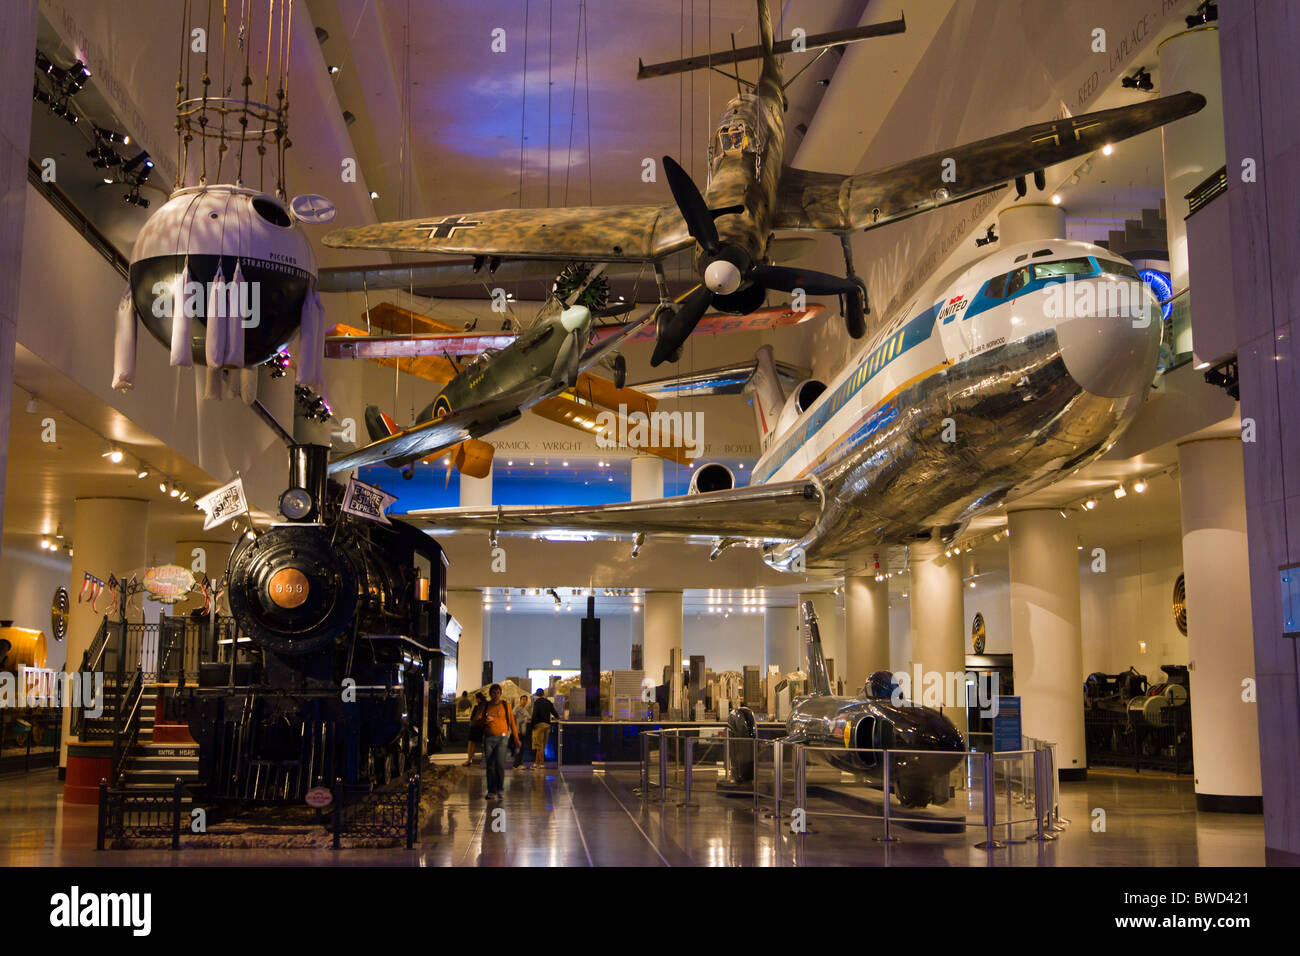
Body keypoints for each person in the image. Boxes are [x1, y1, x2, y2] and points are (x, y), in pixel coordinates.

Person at [480, 684, 520, 800]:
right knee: (490, 765)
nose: (496, 695)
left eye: (498, 692)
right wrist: (484, 721)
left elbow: (512, 723)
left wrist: (516, 739)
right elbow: (477, 721)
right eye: (493, 693)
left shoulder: (505, 705)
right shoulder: (486, 706)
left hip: (502, 739)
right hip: (488, 738)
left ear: (500, 693)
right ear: (490, 694)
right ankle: (491, 790)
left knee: (499, 764)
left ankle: (500, 788)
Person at [529, 688, 559, 770]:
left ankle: (541, 764)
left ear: (537, 695)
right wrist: (559, 718)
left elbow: (534, 715)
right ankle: (535, 763)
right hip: (547, 725)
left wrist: (532, 725)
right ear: (543, 694)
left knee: (539, 746)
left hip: (539, 726)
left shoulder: (537, 702)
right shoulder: (548, 702)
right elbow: (554, 713)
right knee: (542, 746)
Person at [465, 692, 487, 766]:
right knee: (474, 744)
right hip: (480, 728)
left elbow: (472, 718)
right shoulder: (485, 706)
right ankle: (470, 759)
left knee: (471, 743)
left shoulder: (477, 707)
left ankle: (469, 759)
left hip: (474, 727)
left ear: (478, 699)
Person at [512, 694, 532, 769]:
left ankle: (519, 763)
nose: (524, 701)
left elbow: (529, 718)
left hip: (522, 732)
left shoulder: (525, 709)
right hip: (517, 731)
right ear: (520, 700)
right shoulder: (517, 708)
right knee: (518, 748)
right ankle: (516, 764)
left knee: (521, 748)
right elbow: (512, 717)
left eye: (525, 700)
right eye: (523, 699)